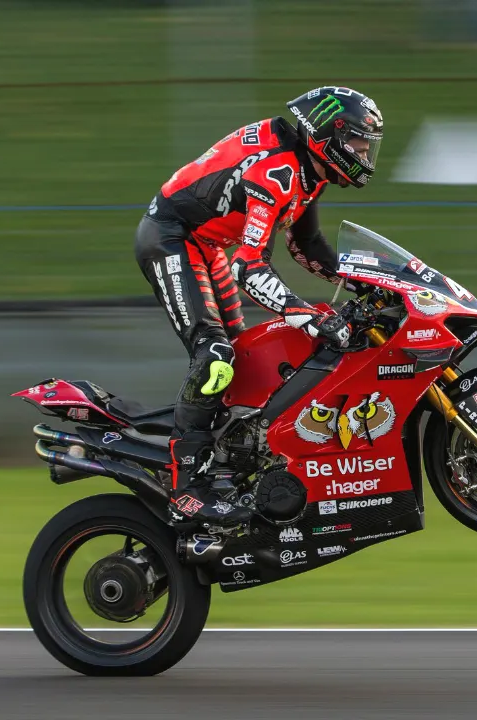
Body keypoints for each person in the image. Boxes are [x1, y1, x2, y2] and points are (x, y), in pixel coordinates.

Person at [134, 86, 384, 528]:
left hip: (209, 246)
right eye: (358, 143)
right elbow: (249, 268)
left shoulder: (312, 169)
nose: (364, 154)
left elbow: (306, 244)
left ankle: (224, 460)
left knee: (246, 358)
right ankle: (185, 486)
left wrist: (369, 284)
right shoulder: (279, 171)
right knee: (215, 358)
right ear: (329, 134)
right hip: (172, 238)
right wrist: (307, 317)